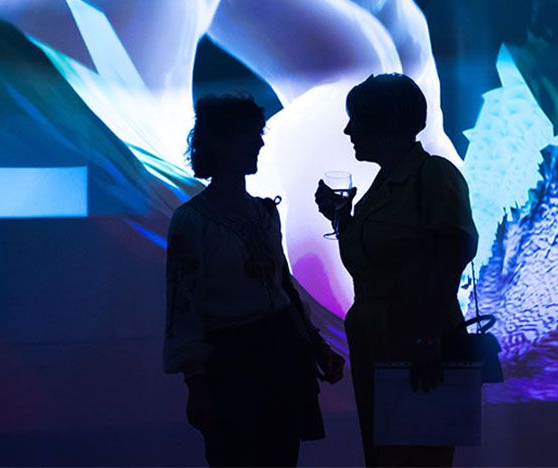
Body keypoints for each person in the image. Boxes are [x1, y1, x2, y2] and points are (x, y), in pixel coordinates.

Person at [164, 94, 346, 467]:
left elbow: (283, 289)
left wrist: (315, 344)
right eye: (250, 134)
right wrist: (196, 383)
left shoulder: (264, 213)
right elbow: (184, 305)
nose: (260, 143)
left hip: (282, 357)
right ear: (220, 142)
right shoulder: (191, 221)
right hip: (232, 367)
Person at [314, 74, 478, 467]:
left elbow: (453, 253)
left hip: (416, 338)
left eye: (358, 119)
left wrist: (428, 335)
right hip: (378, 339)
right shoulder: (383, 184)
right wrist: (340, 219)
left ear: (386, 122)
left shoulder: (432, 174)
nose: (349, 130)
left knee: (418, 456)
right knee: (387, 457)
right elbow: (371, 262)